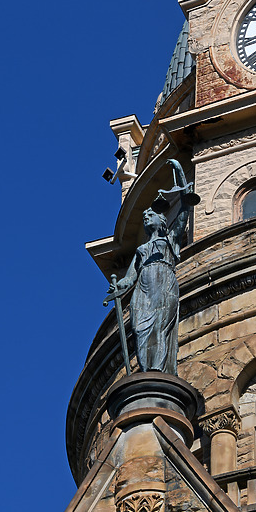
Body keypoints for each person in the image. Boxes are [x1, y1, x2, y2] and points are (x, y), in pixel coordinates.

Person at [105, 159, 196, 376]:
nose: (146, 217)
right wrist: (116, 291)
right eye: (144, 216)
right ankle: (146, 370)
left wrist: (179, 173)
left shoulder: (171, 239)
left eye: (150, 215)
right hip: (143, 287)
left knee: (160, 328)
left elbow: (184, 210)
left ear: (162, 221)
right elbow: (129, 278)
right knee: (139, 328)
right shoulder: (142, 249)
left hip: (164, 281)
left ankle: (157, 370)